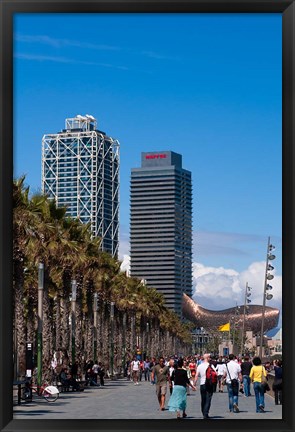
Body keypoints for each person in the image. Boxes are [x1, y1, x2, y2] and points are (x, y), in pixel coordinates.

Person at [195, 353, 214, 419]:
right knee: (208, 399)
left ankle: (203, 412)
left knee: (203, 399)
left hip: (202, 384)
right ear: (207, 358)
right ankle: (206, 413)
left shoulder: (199, 366)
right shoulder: (210, 365)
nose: (210, 358)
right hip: (209, 384)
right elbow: (215, 374)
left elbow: (197, 375)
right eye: (209, 357)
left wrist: (194, 383)